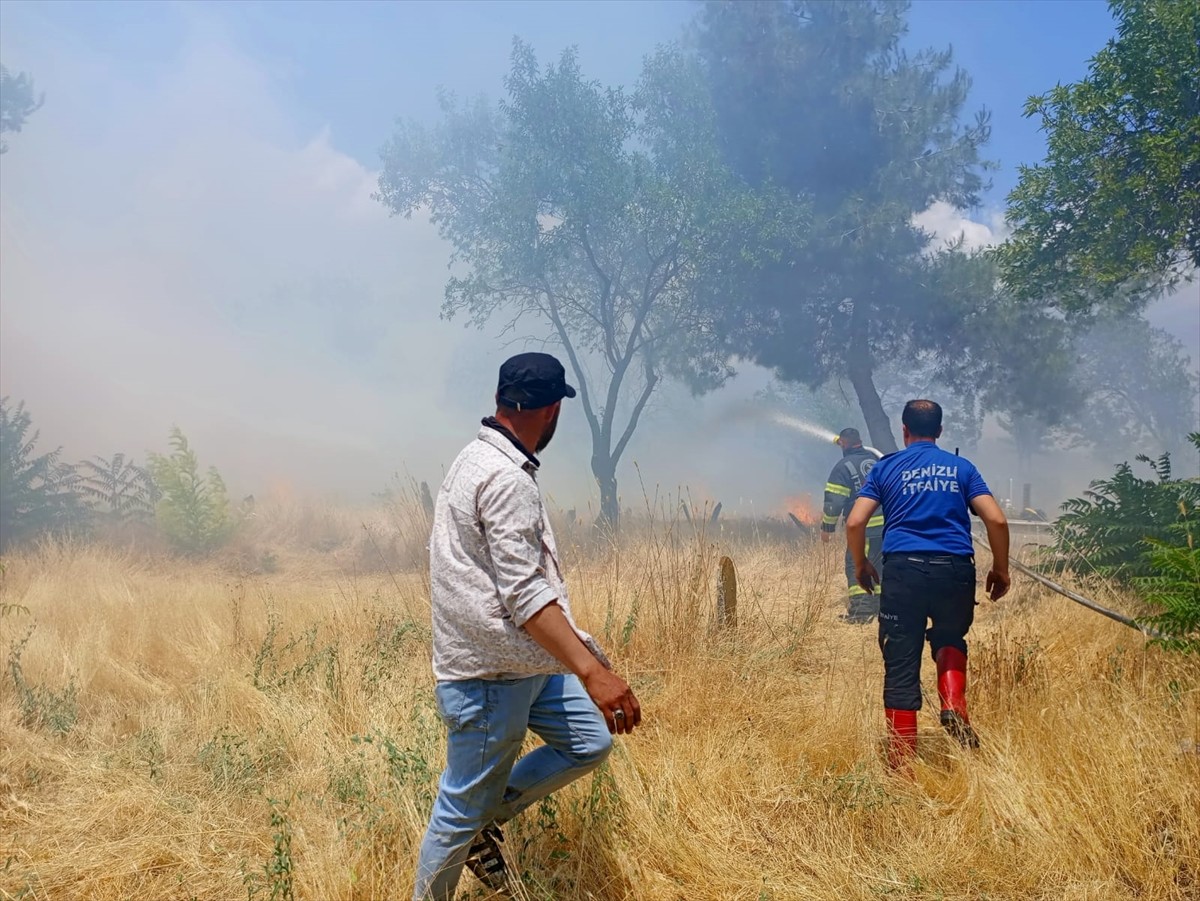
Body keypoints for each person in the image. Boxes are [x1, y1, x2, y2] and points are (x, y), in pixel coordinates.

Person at [412, 352, 642, 900]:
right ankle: (468, 833)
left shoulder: (477, 459)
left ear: (500, 400)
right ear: (552, 410)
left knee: (589, 741)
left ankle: (482, 823)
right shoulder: (503, 477)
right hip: (491, 673)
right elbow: (524, 592)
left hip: (526, 662)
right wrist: (591, 670)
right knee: (457, 812)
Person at [845, 400, 1010, 769]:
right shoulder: (962, 468)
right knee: (950, 638)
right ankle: (953, 704)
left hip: (904, 572)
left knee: (902, 661)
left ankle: (903, 767)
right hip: (955, 571)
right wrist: (1001, 570)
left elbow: (856, 523)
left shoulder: (886, 468)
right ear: (939, 431)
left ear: (905, 431)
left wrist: (861, 564)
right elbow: (996, 521)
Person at [821, 427, 884, 624]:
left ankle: (862, 612)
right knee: (880, 565)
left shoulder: (843, 467)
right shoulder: (876, 461)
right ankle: (880, 607)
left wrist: (827, 528)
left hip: (862, 527)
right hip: (887, 526)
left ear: (843, 444)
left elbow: (834, 502)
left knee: (856, 563)